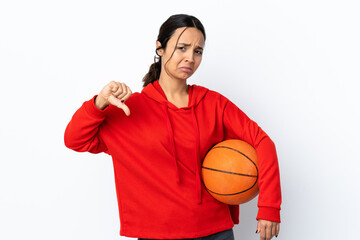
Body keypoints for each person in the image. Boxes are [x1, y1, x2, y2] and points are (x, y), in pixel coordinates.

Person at [64, 14, 281, 240]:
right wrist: (99, 102)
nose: (190, 57)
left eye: (197, 51)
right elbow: (74, 139)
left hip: (216, 231)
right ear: (160, 48)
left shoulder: (213, 103)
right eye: (182, 48)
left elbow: (262, 142)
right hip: (156, 234)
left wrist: (269, 207)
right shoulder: (129, 109)